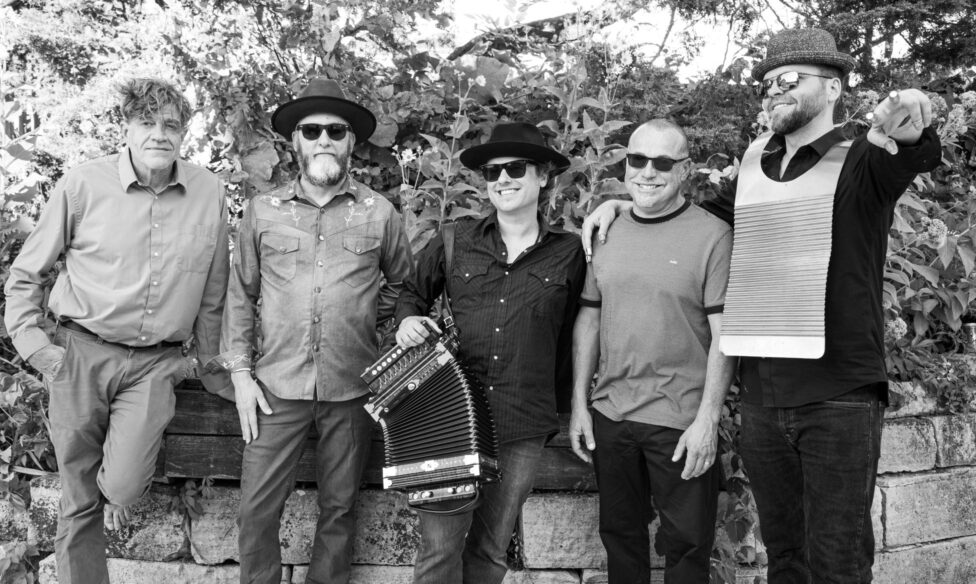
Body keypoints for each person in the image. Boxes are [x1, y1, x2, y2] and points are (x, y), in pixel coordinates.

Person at [582, 28, 942, 583]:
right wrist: (620, 207)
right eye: (769, 81)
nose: (775, 89)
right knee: (786, 559)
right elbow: (687, 215)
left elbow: (912, 149)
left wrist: (912, 121)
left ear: (833, 88)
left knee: (838, 563)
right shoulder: (753, 165)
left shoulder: (863, 158)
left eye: (790, 78)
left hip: (838, 396)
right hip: (763, 398)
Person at [3, 78, 232, 584]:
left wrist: (212, 368)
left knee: (124, 485)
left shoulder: (209, 191)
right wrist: (38, 349)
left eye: (170, 124)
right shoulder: (82, 184)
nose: (159, 134)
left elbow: (214, 293)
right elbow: (26, 274)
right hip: (81, 353)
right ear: (126, 127)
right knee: (78, 496)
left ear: (184, 132)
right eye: (146, 122)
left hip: (156, 364)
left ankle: (116, 493)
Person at [217, 77, 413, 584]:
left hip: (351, 386)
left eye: (336, 131)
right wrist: (240, 374)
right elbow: (240, 295)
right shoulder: (262, 211)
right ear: (295, 141)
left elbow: (404, 285)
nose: (324, 139)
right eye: (311, 130)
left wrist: (367, 316)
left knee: (340, 509)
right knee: (256, 508)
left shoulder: (380, 213)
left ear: (352, 142)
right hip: (275, 388)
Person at [394, 122, 585, 584]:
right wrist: (406, 321)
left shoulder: (572, 253)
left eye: (515, 168)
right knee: (439, 549)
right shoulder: (455, 238)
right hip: (451, 419)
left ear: (543, 176)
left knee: (491, 549)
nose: (502, 179)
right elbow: (409, 295)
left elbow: (580, 332)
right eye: (492, 172)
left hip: (523, 421)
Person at [568, 119, 735, 583]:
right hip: (611, 414)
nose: (647, 172)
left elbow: (725, 336)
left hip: (680, 420)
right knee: (620, 539)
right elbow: (589, 320)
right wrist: (580, 405)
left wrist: (708, 421)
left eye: (662, 162)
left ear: (685, 170)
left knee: (688, 547)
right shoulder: (605, 231)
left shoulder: (713, 236)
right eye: (637, 159)